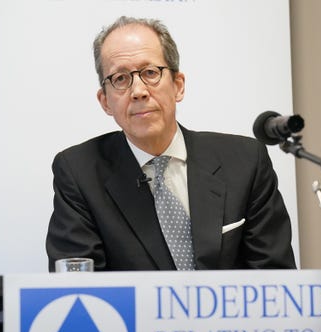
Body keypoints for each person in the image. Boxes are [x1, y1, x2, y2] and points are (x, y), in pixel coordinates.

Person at [46, 16, 295, 271]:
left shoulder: (245, 162)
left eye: (150, 73)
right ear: (105, 101)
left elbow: (275, 282)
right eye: (120, 79)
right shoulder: (78, 173)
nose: (139, 91)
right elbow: (77, 289)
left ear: (178, 86)